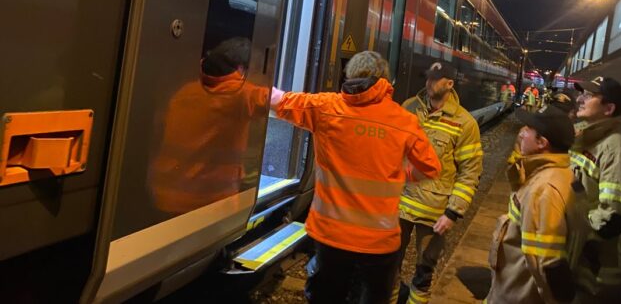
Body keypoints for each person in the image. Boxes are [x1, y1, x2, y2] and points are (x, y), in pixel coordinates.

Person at [270, 51, 441, 304]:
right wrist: (400, 174)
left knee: (327, 296)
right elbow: (431, 167)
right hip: (379, 242)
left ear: (349, 76)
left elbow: (278, 100)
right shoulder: (404, 121)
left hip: (332, 235)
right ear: (385, 80)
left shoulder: (325, 108)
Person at [393, 61, 483, 304]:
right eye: (428, 78)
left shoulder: (464, 123)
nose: (429, 83)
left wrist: (453, 213)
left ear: (450, 83)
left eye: (436, 79)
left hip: (433, 214)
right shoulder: (409, 107)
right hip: (397, 205)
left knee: (423, 273)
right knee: (389, 266)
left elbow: (469, 173)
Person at [149, 38, 267, 214]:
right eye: (255, 70)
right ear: (241, 69)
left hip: (164, 197)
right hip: (207, 204)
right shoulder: (238, 94)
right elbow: (278, 102)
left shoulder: (185, 91)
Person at [486, 105, 587, 304]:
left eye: (528, 130)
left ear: (542, 142)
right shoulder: (562, 175)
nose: (521, 133)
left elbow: (547, 263)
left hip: (518, 296)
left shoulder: (543, 189)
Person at [571, 76, 621, 299]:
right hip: (578, 259)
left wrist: (573, 233)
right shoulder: (586, 140)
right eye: (581, 93)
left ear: (608, 109)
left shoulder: (616, 149)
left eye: (589, 96)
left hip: (598, 270)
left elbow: (615, 216)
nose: (580, 98)